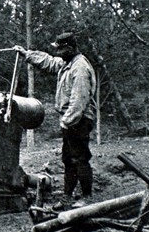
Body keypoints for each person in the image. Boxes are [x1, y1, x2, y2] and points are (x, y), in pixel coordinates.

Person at [13, 32, 96, 209]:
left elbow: (79, 100)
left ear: (70, 48)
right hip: (72, 119)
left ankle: (87, 197)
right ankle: (67, 197)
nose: (57, 53)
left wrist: (67, 121)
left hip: (79, 119)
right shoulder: (68, 63)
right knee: (69, 159)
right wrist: (27, 54)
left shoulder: (79, 68)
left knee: (80, 158)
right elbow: (49, 61)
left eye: (60, 49)